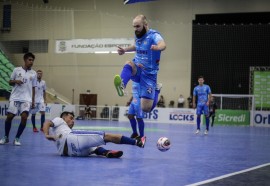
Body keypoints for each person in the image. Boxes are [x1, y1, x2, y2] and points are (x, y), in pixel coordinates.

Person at [114, 14, 166, 113]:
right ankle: (122, 85)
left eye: (138, 26)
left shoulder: (154, 35)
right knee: (128, 64)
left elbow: (163, 44)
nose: (135, 29)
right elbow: (136, 46)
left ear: (145, 24)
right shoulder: (138, 35)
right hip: (138, 67)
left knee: (146, 109)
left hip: (149, 74)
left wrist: (158, 47)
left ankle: (157, 89)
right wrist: (125, 50)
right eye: (134, 26)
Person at [43, 111, 146, 158]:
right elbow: (47, 122)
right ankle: (137, 142)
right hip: (70, 139)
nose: (73, 120)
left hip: (71, 154)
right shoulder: (59, 120)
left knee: (93, 148)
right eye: (71, 118)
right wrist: (47, 134)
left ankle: (106, 152)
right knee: (107, 137)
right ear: (64, 117)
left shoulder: (61, 129)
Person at [0, 52, 37, 145]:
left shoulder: (34, 73)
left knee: (24, 118)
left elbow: (33, 87)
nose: (31, 62)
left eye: (32, 60)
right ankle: (6, 137)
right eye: (29, 60)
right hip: (15, 97)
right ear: (25, 60)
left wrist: (33, 101)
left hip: (26, 99)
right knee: (9, 117)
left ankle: (17, 138)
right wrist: (16, 81)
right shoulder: (16, 70)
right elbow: (9, 82)